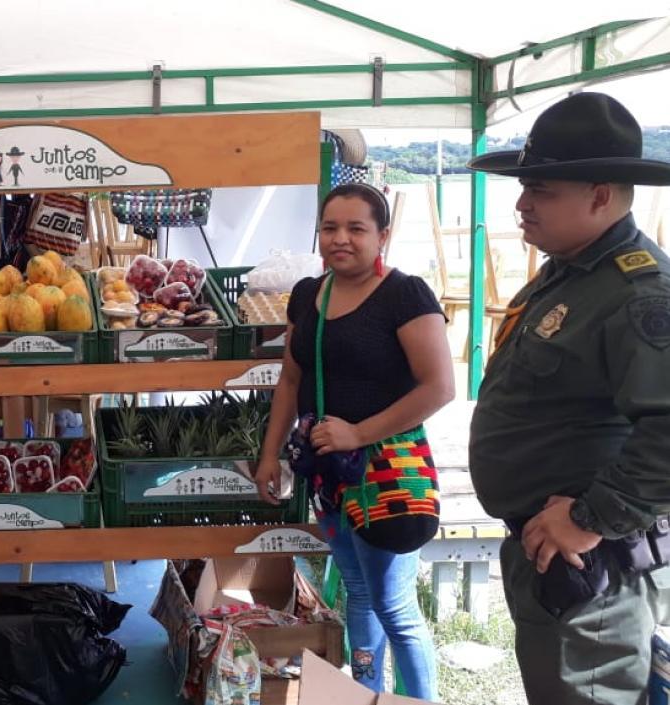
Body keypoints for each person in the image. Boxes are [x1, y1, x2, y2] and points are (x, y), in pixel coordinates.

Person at [468, 92, 670, 705]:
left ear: (600, 195)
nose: (521, 204)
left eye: (542, 191)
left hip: (590, 563)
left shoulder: (638, 295)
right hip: (550, 555)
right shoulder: (568, 274)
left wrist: (588, 521)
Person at [254, 183, 454, 699]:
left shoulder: (405, 295)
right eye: (329, 227)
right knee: (358, 592)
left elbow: (440, 387)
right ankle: (366, 691)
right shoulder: (307, 294)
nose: (340, 239)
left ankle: (416, 699)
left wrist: (358, 432)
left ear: (382, 235)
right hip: (329, 473)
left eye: (356, 228)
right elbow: (291, 381)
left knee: (394, 605)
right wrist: (269, 453)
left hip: (385, 472)